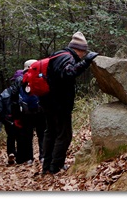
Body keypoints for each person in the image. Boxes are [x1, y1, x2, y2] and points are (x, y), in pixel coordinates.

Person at [39, 32, 98, 175]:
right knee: (64, 135)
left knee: (50, 133)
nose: (84, 55)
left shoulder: (58, 55)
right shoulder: (67, 58)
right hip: (59, 104)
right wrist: (87, 62)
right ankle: (56, 167)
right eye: (84, 52)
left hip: (48, 102)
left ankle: (47, 166)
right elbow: (69, 73)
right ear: (79, 49)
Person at [17, 59, 47, 164]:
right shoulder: (41, 76)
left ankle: (29, 158)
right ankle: (43, 156)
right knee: (42, 134)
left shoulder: (20, 80)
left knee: (27, 136)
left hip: (26, 112)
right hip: (40, 110)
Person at [0, 74, 23, 165]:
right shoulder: (22, 91)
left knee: (10, 136)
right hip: (20, 118)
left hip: (7, 119)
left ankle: (11, 152)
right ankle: (19, 157)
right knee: (20, 137)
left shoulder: (4, 92)